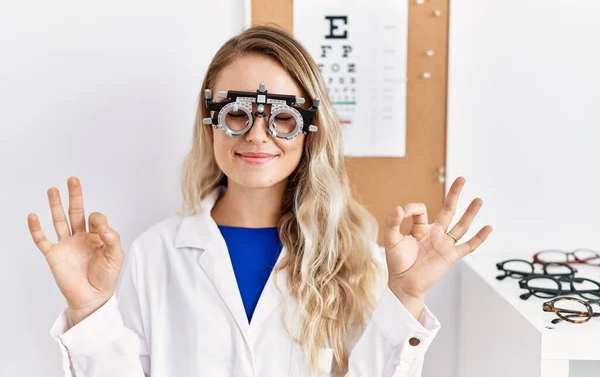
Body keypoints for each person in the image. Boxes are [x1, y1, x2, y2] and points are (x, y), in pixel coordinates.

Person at [27, 24, 492, 377]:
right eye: (236, 112)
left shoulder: (356, 260)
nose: (256, 135)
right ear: (211, 122)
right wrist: (90, 312)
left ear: (310, 132)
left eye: (283, 119)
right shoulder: (156, 254)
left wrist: (406, 297)